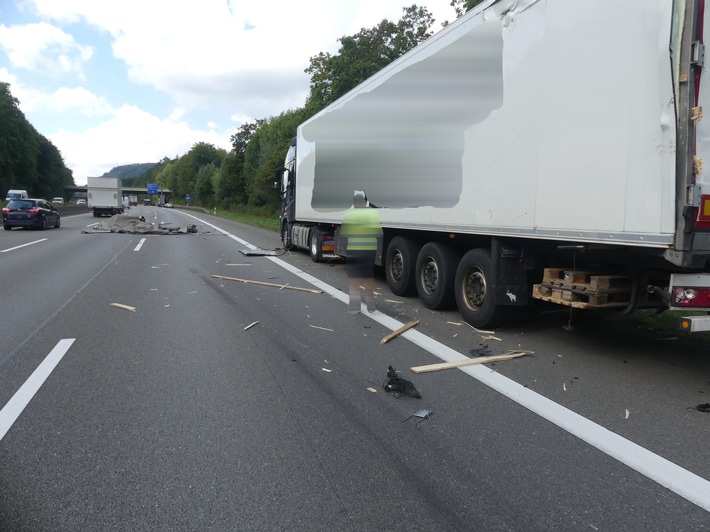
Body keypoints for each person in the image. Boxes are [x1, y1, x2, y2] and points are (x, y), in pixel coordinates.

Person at [341, 191, 382, 313]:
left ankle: (354, 306)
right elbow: (379, 233)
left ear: (354, 204)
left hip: (354, 250)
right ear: (364, 203)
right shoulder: (373, 213)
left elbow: (343, 233)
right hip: (369, 251)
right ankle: (370, 304)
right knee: (368, 276)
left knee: (354, 278)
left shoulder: (349, 214)